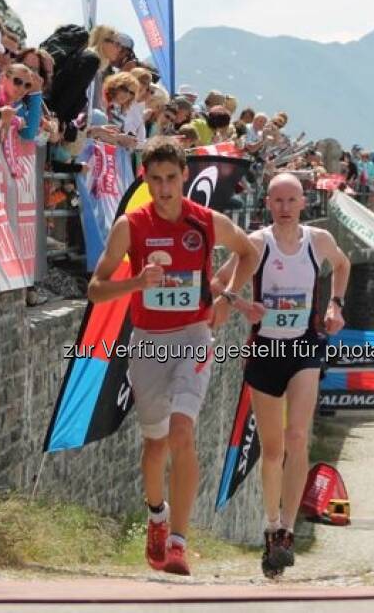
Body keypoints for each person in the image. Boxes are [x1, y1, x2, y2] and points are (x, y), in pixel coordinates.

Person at [88, 136, 258, 576]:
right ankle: (157, 517)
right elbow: (95, 288)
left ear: (184, 177)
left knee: (183, 431)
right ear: (145, 179)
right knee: (155, 442)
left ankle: (180, 542)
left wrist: (227, 298)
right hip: (147, 339)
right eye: (156, 180)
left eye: (171, 179)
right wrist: (136, 284)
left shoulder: (207, 221)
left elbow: (248, 252)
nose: (164, 189)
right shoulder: (131, 225)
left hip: (194, 335)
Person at [211, 172, 350, 578]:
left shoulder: (318, 241)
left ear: (304, 203)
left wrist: (335, 306)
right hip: (266, 350)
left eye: (292, 200)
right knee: (272, 450)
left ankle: (289, 528)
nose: (286, 208)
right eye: (278, 201)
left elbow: (342, 265)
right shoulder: (256, 245)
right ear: (268, 204)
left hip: (304, 345)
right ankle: (271, 526)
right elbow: (220, 283)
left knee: (297, 437)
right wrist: (241, 305)